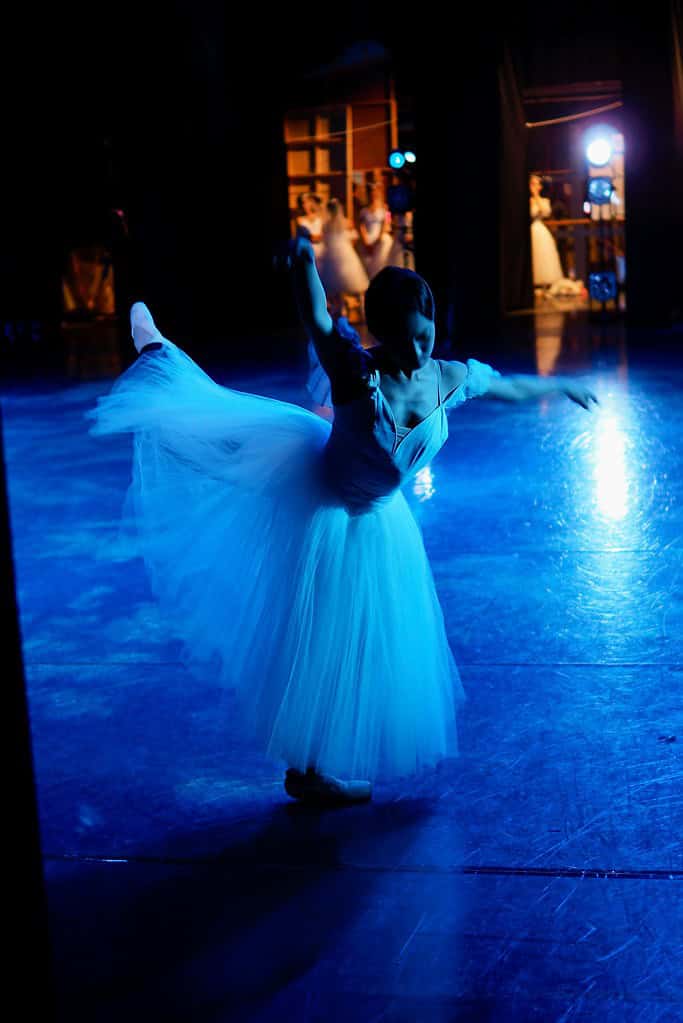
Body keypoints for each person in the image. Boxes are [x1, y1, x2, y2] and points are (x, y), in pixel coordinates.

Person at [88, 240, 598, 806]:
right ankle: (159, 353)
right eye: (402, 338)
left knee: (367, 641)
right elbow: (317, 317)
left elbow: (507, 386)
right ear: (380, 332)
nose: (416, 348)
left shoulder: (447, 377)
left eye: (423, 334)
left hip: (379, 520)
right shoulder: (357, 373)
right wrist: (305, 263)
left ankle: (315, 770)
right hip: (324, 505)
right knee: (221, 455)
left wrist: (558, 385)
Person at [316, 197, 369, 317]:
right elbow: (353, 235)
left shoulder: (326, 224)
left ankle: (343, 308)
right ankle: (360, 307)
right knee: (351, 282)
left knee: (337, 285)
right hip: (344, 252)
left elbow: (324, 239)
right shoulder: (345, 222)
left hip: (333, 254)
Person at [529, 173, 564, 289]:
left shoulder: (544, 200)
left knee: (543, 255)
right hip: (531, 228)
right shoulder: (528, 201)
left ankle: (544, 285)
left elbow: (546, 212)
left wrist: (536, 196)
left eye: (536, 184)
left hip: (540, 229)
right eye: (532, 184)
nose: (534, 186)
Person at [357, 182, 394, 279]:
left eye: (375, 194)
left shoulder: (385, 209)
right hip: (367, 239)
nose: (373, 196)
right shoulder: (363, 211)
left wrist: (378, 240)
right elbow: (361, 227)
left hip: (380, 238)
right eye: (371, 194)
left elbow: (387, 225)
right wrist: (366, 243)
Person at [295, 192, 324, 261]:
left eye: (306, 202)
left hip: (322, 251)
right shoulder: (299, 220)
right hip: (308, 251)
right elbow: (310, 238)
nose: (304, 205)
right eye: (302, 203)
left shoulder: (320, 217)